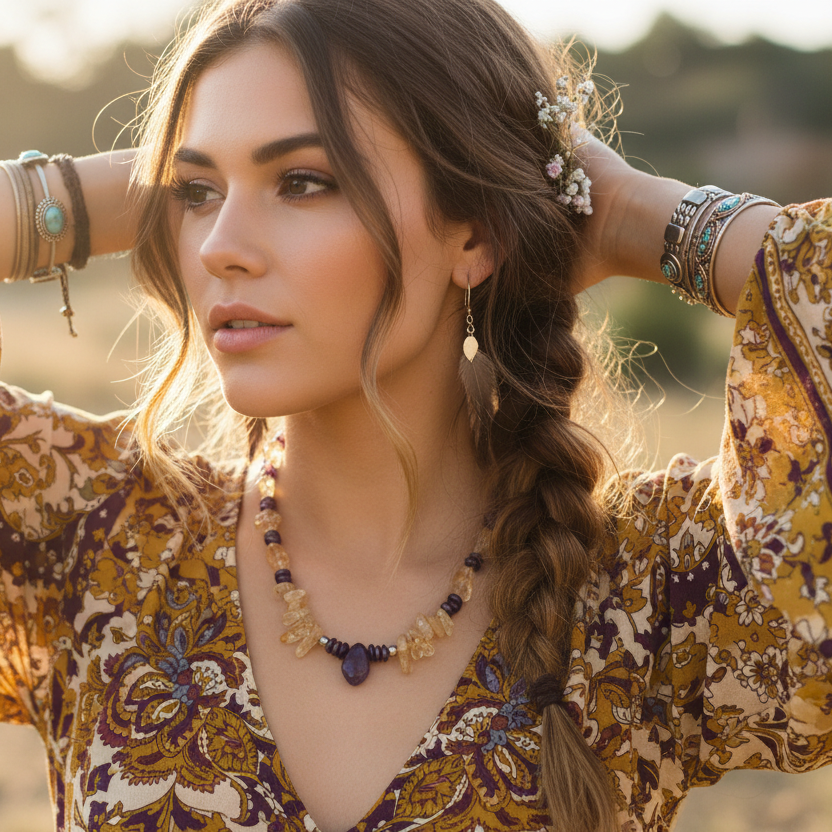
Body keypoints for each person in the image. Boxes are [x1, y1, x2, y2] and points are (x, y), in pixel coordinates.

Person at [0, 0, 830, 830]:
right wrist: (63, 201)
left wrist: (634, 215)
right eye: (195, 192)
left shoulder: (651, 593)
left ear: (474, 233)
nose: (218, 244)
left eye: (302, 182)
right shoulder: (90, 534)